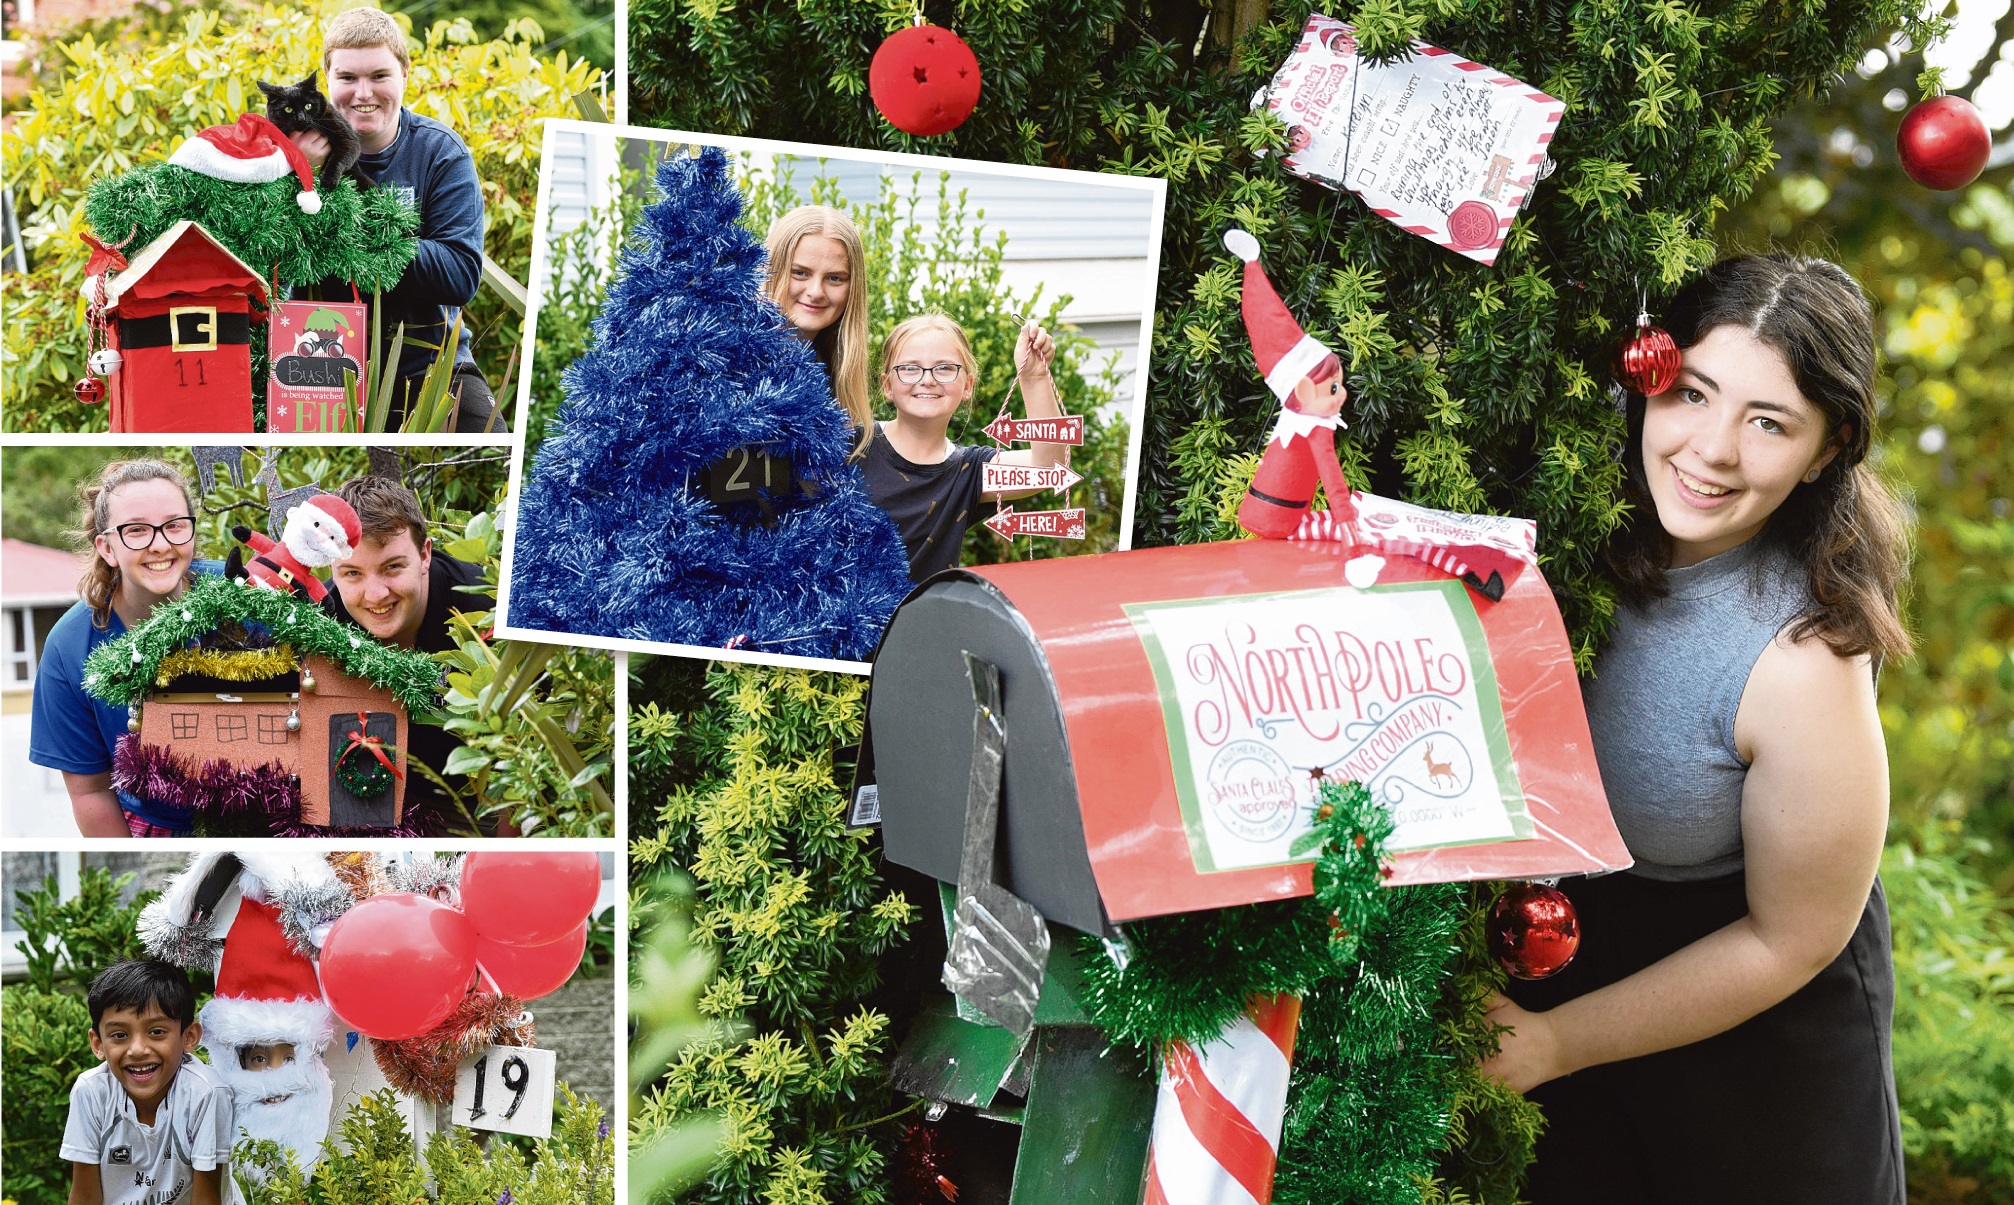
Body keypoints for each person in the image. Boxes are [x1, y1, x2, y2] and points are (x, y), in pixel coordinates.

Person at [1482, 255, 1912, 1202]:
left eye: (1768, 423)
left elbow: (1790, 940)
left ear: (1828, 447)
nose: (1712, 449)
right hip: (1561, 1002)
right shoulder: (1566, 523)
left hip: (1754, 1069)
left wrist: (1558, 1040)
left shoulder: (1805, 660)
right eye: (1690, 394)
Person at [289, 8, 501, 432]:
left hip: (431, 366)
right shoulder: (290, 151)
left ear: (405, 73)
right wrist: (299, 175)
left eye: (379, 76)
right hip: (319, 366)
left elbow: (460, 275)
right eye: (347, 78)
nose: (362, 93)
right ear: (327, 78)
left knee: (494, 443)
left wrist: (350, 221)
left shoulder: (441, 154)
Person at [29, 460, 217, 837]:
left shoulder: (243, 594)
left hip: (264, 811)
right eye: (137, 530)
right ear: (107, 547)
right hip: (153, 825)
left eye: (175, 525)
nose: (160, 544)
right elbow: (91, 791)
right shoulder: (70, 647)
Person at [322, 474, 512, 835]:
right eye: (352, 573)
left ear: (424, 554)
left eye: (393, 567)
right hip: (367, 801)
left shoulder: (486, 609)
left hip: (480, 803)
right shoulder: (321, 620)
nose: (375, 594)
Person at [860, 313, 1068, 582]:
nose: (928, 379)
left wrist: (1035, 377)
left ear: (967, 386)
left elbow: (1048, 468)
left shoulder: (968, 472)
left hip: (917, 623)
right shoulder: (854, 444)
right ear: (888, 385)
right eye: (910, 368)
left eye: (945, 368)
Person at [63, 960, 237, 1205]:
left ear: (189, 1037)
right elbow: (84, 1197)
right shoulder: (92, 1091)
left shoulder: (206, 1093)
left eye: (156, 1032)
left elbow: (207, 1198)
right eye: (119, 1035)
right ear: (98, 1044)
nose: (137, 1050)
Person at [764, 205, 874, 456]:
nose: (816, 292)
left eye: (835, 278)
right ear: (771, 271)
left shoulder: (835, 374)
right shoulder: (729, 361)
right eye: (800, 273)